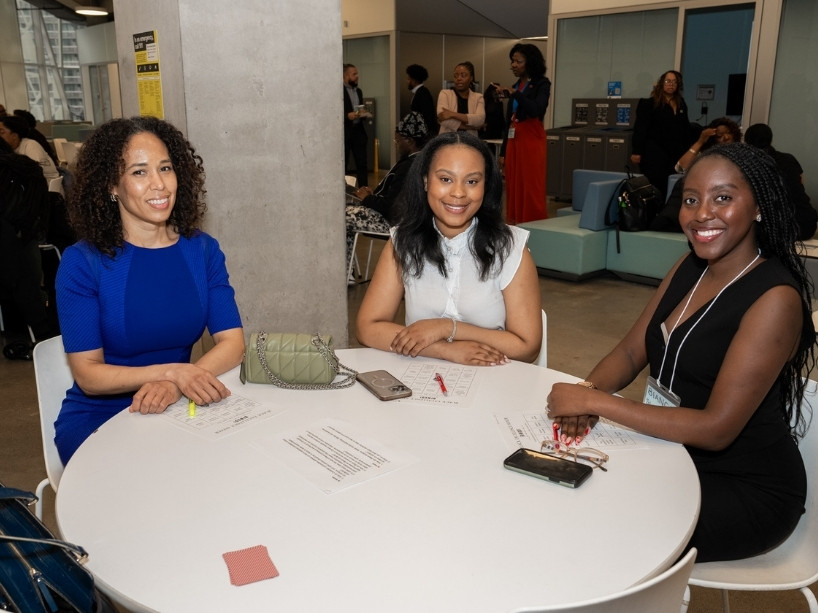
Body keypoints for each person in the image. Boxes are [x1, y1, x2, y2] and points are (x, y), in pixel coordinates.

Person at [547, 142, 815, 563]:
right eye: (692, 199)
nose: (702, 213)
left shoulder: (775, 299)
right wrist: (590, 388)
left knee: (597, 529)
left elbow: (716, 428)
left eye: (723, 198)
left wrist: (593, 401)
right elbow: (633, 351)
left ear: (759, 206)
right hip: (673, 453)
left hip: (743, 487)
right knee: (561, 488)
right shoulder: (690, 265)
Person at [54, 116, 245, 465]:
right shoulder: (82, 262)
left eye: (165, 168)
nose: (159, 184)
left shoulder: (202, 251)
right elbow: (89, 375)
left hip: (180, 406)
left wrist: (175, 384)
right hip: (101, 418)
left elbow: (233, 343)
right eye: (139, 172)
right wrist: (171, 371)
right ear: (112, 185)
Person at [356, 132, 542, 365]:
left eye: (472, 181)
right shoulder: (403, 241)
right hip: (422, 376)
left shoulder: (510, 248)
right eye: (445, 179)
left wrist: (447, 327)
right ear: (425, 180)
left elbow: (527, 347)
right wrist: (444, 350)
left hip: (494, 379)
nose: (458, 193)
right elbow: (368, 327)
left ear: (486, 186)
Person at [346, 112, 429, 275]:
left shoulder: (410, 166)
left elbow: (391, 206)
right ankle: (348, 271)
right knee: (347, 211)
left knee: (342, 217)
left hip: (391, 221)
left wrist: (368, 198)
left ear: (410, 141)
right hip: (393, 216)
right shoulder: (418, 160)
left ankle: (345, 273)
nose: (396, 145)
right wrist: (374, 194)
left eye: (397, 141)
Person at [652, 118, 741, 233]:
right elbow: (680, 168)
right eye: (720, 135)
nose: (726, 137)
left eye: (728, 133)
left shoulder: (741, 155)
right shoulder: (707, 155)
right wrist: (700, 141)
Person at [495, 43, 551, 224]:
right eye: (512, 61)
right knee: (514, 184)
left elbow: (537, 109)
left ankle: (534, 223)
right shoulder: (516, 85)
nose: (514, 65)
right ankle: (515, 223)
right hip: (514, 141)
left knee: (530, 186)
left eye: (518, 61)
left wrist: (516, 95)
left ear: (530, 63)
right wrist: (503, 151)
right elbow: (507, 122)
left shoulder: (542, 84)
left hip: (531, 140)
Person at [744, 122, 817, 240]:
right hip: (806, 223)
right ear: (770, 140)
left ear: (746, 142)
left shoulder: (749, 165)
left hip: (777, 228)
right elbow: (802, 184)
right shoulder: (789, 159)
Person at [631, 70, 693, 200]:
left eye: (674, 82)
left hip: (675, 153)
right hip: (654, 152)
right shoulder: (649, 104)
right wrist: (636, 152)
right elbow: (640, 129)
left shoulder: (681, 103)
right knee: (656, 185)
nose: (671, 84)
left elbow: (685, 129)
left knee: (673, 185)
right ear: (661, 84)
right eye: (668, 81)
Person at [0, 114, 60, 182]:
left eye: (1, 132)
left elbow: (36, 173)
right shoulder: (6, 150)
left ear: (14, 136)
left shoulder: (31, 145)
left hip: (45, 187)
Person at [436, 62, 485, 137]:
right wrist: (471, 127)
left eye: (463, 75)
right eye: (456, 76)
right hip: (447, 142)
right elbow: (443, 119)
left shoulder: (478, 97)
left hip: (470, 143)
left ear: (471, 78)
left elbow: (479, 120)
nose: (459, 78)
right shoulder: (445, 94)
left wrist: (452, 114)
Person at [343, 63, 371, 188]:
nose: (357, 76)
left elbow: (358, 109)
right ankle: (343, 190)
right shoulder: (338, 91)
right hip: (345, 132)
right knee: (343, 164)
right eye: (354, 74)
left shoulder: (358, 91)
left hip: (358, 132)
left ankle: (364, 191)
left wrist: (363, 113)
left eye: (357, 73)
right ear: (345, 75)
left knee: (362, 163)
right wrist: (346, 116)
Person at [406, 64, 437, 136]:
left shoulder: (423, 94)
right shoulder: (420, 92)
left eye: (408, 79)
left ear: (414, 80)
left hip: (424, 136)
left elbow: (427, 117)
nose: (407, 82)